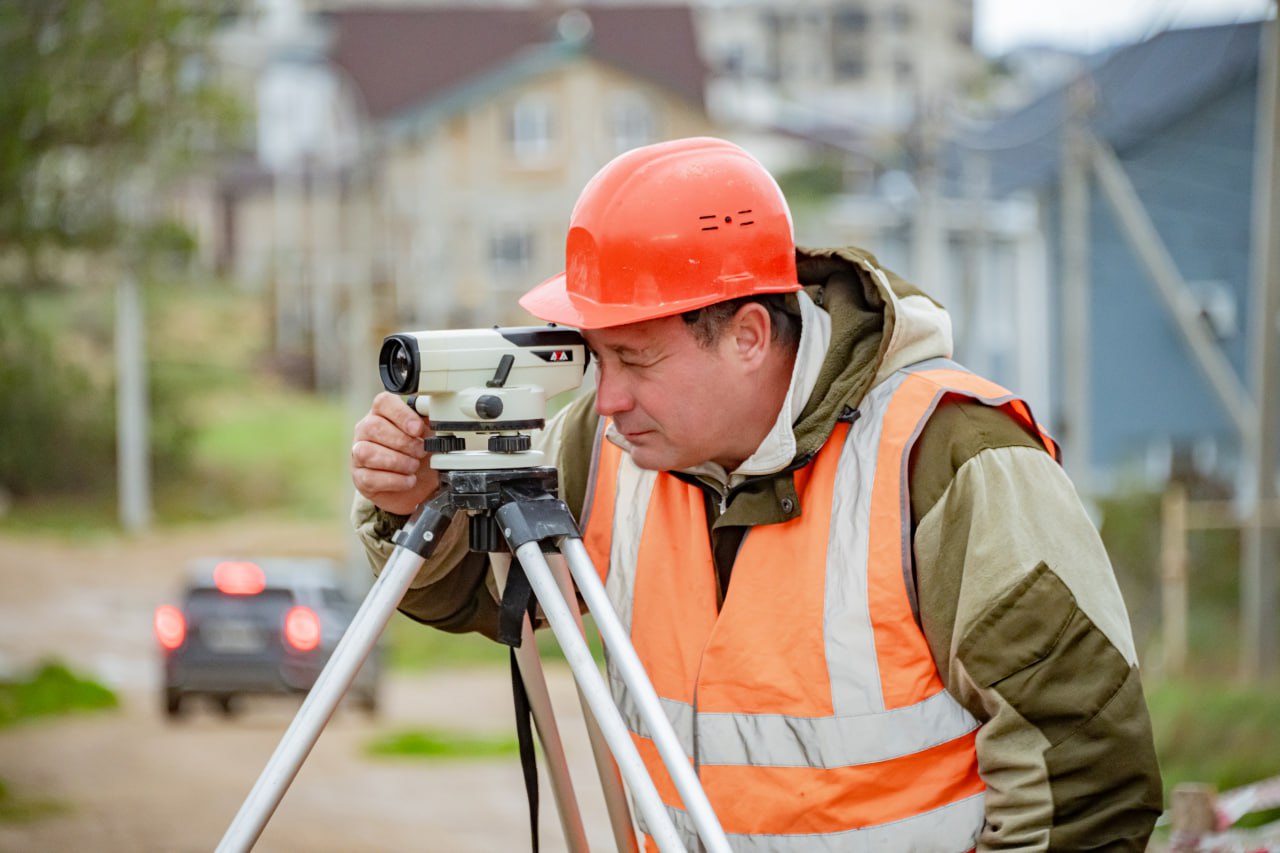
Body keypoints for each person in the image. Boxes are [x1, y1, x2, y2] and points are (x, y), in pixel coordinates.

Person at [350, 137, 1162, 850]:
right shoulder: (605, 447)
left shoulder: (948, 456)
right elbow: (483, 597)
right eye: (597, 360)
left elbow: (1085, 769)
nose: (607, 399)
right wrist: (420, 501)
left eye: (637, 359)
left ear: (746, 334)